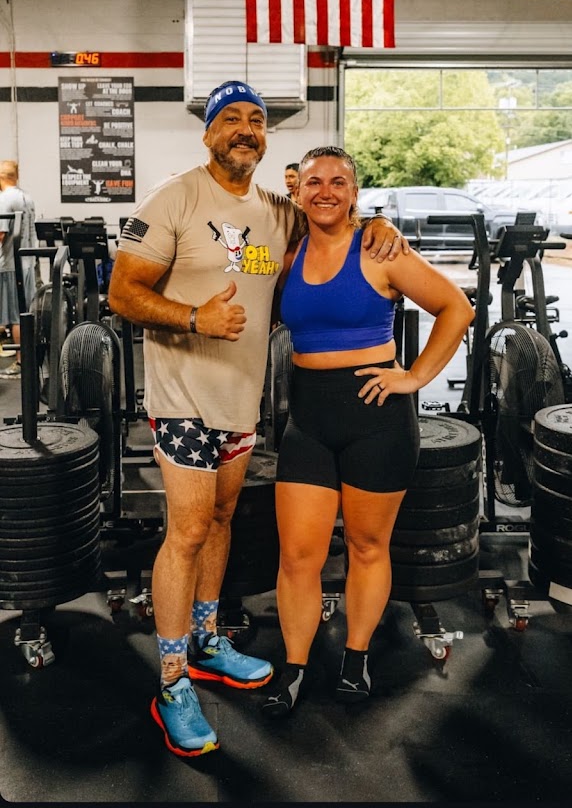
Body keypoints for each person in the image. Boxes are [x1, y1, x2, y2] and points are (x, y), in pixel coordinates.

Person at [107, 80, 409, 758]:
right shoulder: (174, 198)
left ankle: (208, 640)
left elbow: (334, 219)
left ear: (265, 139)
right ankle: (172, 682)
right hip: (183, 398)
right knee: (186, 533)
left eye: (256, 120)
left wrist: (377, 225)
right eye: (231, 118)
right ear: (208, 131)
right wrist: (194, 317)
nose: (245, 128)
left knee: (220, 521)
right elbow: (122, 292)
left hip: (240, 401)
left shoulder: (277, 211)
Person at [260, 146, 475, 717]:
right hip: (308, 417)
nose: (326, 191)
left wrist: (414, 377)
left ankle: (356, 658)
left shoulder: (381, 249)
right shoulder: (288, 253)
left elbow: (456, 308)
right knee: (297, 555)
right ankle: (295, 666)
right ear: (297, 191)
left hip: (376, 417)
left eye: (339, 182)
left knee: (366, 546)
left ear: (354, 192)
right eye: (314, 182)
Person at [0, 160, 38, 380]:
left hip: (11, 265)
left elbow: (1, 234)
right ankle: (28, 360)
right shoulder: (26, 197)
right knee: (24, 312)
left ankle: (22, 363)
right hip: (27, 262)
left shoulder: (5, 199)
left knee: (15, 315)